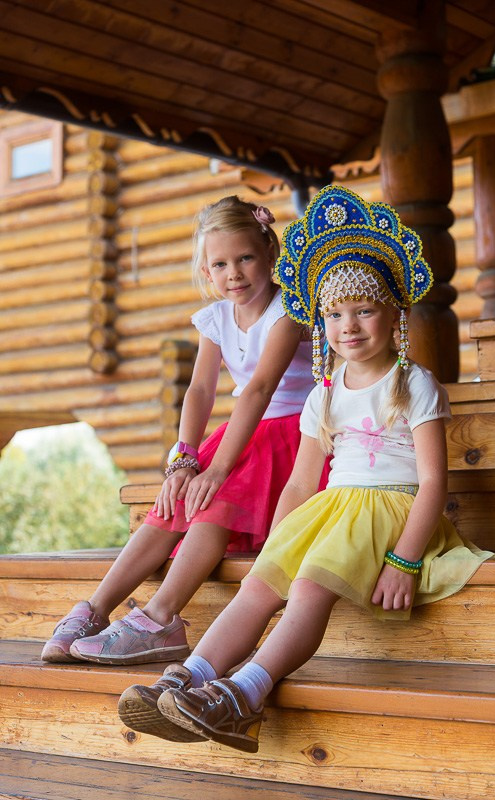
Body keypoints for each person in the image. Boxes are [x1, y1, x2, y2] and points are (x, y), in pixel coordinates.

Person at [117, 185, 494, 752]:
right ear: (320, 321)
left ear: (395, 312)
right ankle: (187, 681)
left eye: (364, 310)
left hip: (389, 510)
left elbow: (434, 481)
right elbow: (299, 482)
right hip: (329, 508)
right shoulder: (323, 395)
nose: (349, 326)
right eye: (335, 314)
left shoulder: (412, 384)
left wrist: (403, 559)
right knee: (263, 584)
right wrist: (279, 540)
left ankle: (244, 694)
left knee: (313, 584)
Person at [41, 195, 325, 669]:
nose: (234, 272)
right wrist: (186, 458)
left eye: (245, 258)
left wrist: (216, 469)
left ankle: (161, 617)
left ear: (269, 251)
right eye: (220, 263)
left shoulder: (287, 310)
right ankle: (95, 609)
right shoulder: (215, 319)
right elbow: (199, 390)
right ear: (206, 271)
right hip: (241, 432)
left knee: (212, 501)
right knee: (170, 502)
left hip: (292, 434)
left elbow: (257, 390)